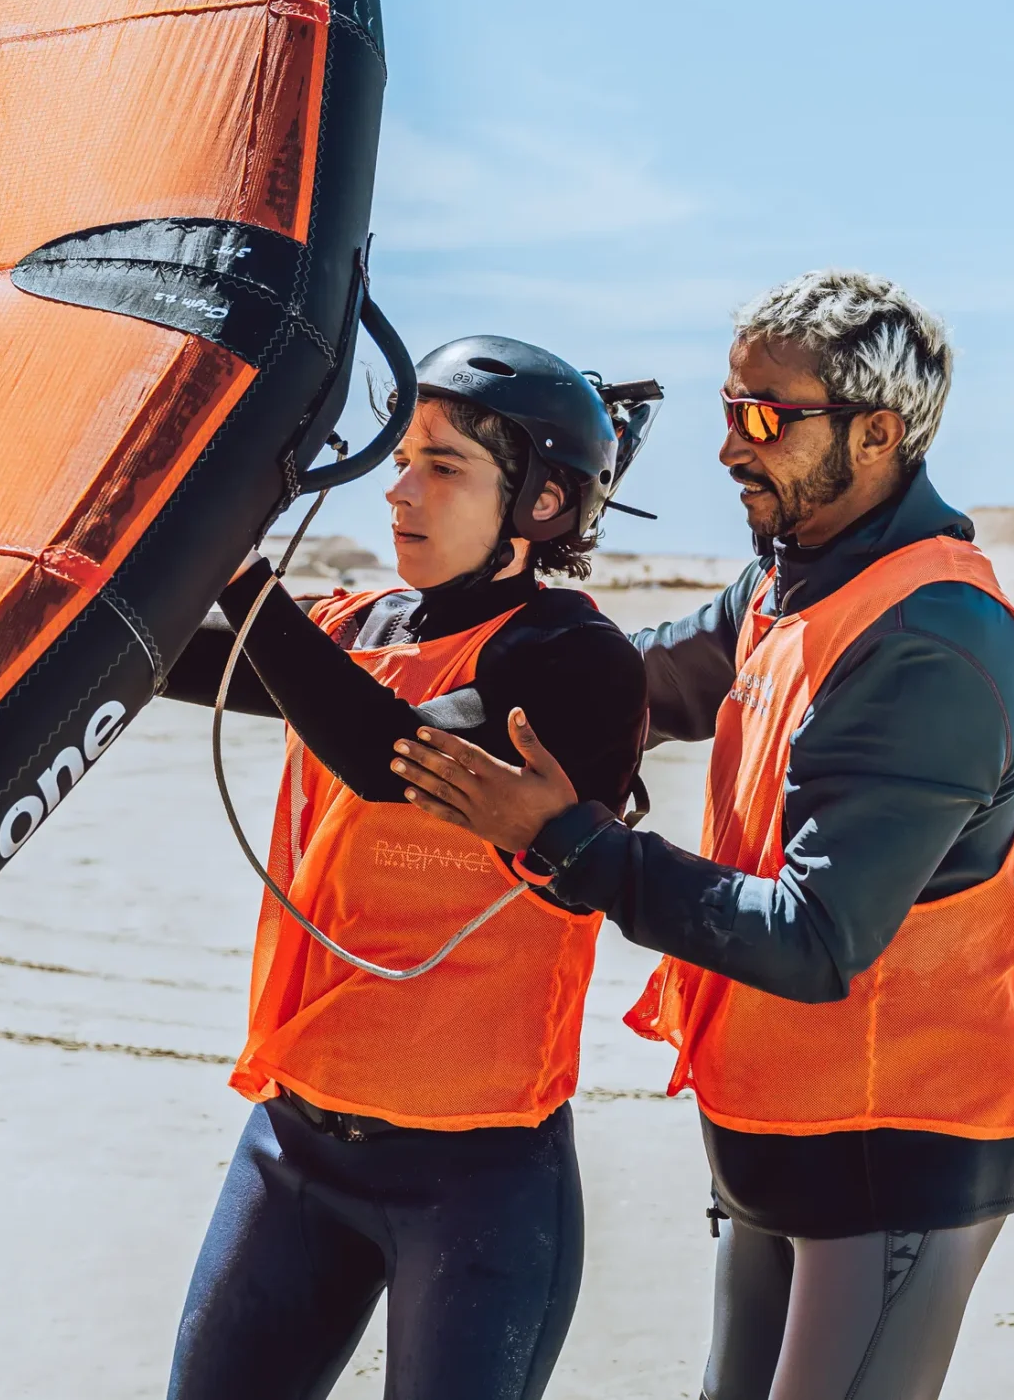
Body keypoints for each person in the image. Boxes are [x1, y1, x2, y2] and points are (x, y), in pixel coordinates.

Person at [390, 271, 1014, 1400]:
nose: (728, 449)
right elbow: (625, 684)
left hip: (887, 1149)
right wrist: (407, 676)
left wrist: (567, 839)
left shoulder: (932, 640)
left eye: (763, 418)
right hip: (771, 1135)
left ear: (877, 433)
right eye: (725, 409)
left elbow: (812, 939)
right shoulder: (785, 589)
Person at [154, 337, 656, 1400]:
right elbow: (146, 647)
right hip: (292, 1145)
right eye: (400, 457)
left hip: (475, 1179)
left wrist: (245, 575)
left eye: (442, 464)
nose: (397, 490)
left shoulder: (573, 662)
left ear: (544, 506)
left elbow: (392, 756)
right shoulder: (357, 625)